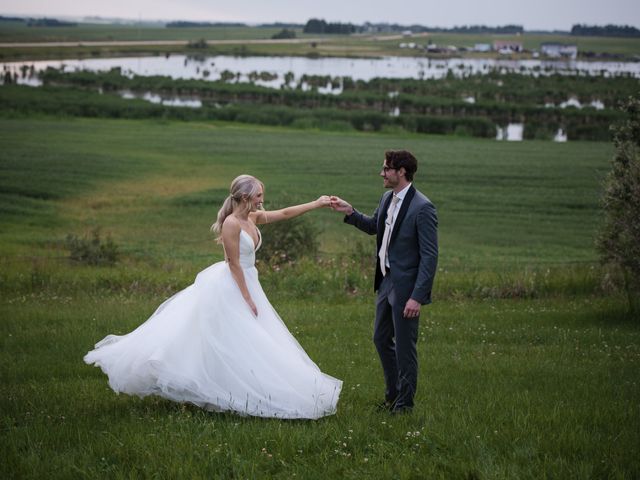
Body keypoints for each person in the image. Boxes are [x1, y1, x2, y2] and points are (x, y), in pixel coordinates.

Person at [85, 175, 342, 419]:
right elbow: (233, 264)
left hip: (248, 281)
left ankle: (243, 386)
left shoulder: (252, 217)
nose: (262, 199)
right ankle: (219, 389)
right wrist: (247, 298)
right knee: (230, 337)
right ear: (244, 197)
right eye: (259, 195)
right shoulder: (231, 223)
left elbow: (285, 214)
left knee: (249, 339)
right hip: (233, 285)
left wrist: (316, 203)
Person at [330, 150, 438, 414]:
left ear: (401, 171)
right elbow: (373, 226)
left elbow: (430, 256)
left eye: (386, 169)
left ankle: (404, 405)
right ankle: (392, 395)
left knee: (404, 347)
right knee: (381, 339)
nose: (382, 173)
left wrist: (417, 296)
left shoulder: (422, 207)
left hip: (406, 289)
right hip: (386, 281)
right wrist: (350, 211)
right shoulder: (387, 198)